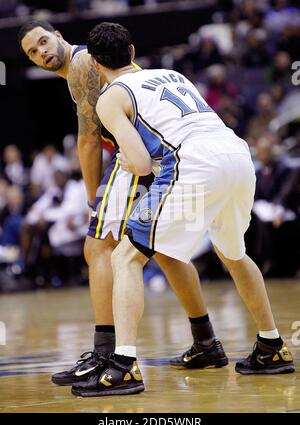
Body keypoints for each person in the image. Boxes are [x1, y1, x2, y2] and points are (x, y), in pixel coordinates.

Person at [72, 22, 295, 397]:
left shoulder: (110, 96)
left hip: (192, 164)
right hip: (237, 154)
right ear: (132, 53)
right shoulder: (171, 74)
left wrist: (127, 162)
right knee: (234, 253)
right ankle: (271, 346)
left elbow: (141, 163)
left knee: (126, 257)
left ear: (94, 64)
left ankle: (124, 365)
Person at [18, 21, 228, 386]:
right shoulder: (93, 67)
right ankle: (205, 340)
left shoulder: (83, 65)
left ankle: (104, 354)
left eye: (43, 42)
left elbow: (88, 141)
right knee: (165, 252)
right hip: (169, 156)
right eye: (32, 52)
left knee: (97, 245)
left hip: (139, 159)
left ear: (59, 37)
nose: (41, 53)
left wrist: (91, 197)